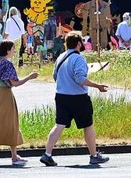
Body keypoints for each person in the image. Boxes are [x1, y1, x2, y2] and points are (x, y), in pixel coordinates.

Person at [40, 31, 109, 167]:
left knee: (59, 124)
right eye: (82, 42)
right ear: (78, 43)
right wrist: (97, 86)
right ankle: (94, 155)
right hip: (78, 97)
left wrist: (65, 83)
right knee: (87, 125)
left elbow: (55, 76)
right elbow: (80, 78)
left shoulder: (60, 57)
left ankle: (47, 154)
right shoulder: (79, 59)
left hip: (61, 95)